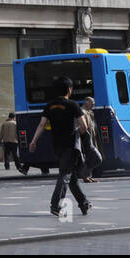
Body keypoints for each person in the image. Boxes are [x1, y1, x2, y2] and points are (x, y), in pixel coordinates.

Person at [28, 77, 91, 218]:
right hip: (70, 145)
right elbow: (84, 126)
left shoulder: (49, 106)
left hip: (57, 146)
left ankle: (84, 203)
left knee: (71, 176)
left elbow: (41, 125)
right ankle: (55, 205)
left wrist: (33, 141)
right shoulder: (72, 105)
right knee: (65, 175)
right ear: (69, 89)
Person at [80, 97, 104, 182]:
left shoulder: (89, 112)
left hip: (91, 139)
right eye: (92, 103)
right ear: (86, 102)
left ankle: (88, 176)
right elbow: (82, 127)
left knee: (91, 158)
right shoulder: (82, 112)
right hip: (86, 140)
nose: (93, 105)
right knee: (97, 158)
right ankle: (84, 175)